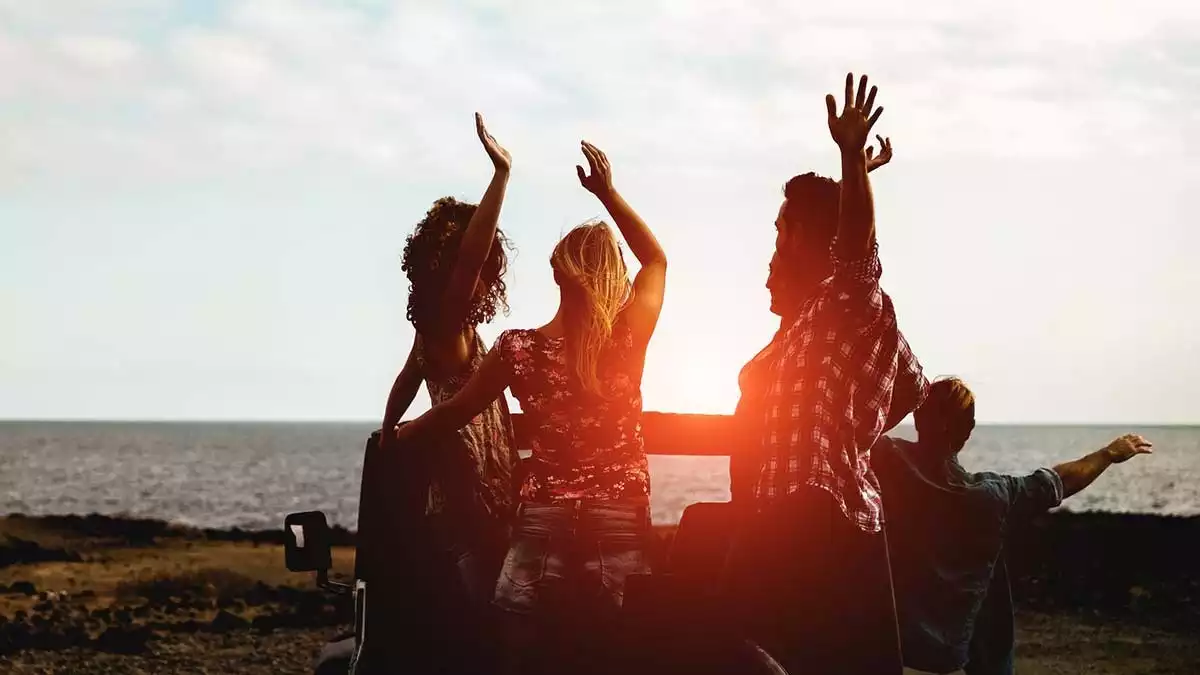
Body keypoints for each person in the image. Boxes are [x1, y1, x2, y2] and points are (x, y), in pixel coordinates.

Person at [395, 140, 667, 675]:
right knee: (623, 649)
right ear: (610, 278)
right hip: (621, 514)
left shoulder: (519, 349)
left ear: (556, 275)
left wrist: (398, 438)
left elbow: (454, 412)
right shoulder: (628, 340)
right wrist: (608, 194)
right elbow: (655, 258)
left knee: (516, 649)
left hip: (545, 522)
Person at [724, 73, 929, 675]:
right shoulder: (806, 327)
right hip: (775, 520)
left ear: (812, 241)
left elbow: (858, 251)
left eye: (783, 229)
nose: (775, 241)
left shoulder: (844, 306)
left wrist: (850, 160)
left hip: (822, 518)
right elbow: (910, 381)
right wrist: (855, 418)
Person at [365, 113, 522, 671]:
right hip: (469, 467)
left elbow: (409, 378)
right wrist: (502, 175)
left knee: (477, 585)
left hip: (462, 467)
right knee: (487, 596)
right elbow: (475, 252)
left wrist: (388, 432)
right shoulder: (450, 316)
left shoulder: (433, 322)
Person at [872, 377, 1154, 675]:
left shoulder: (887, 461)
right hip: (948, 662)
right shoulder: (991, 496)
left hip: (889, 655)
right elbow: (1059, 481)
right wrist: (1108, 454)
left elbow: (853, 430)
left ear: (918, 419)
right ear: (968, 431)